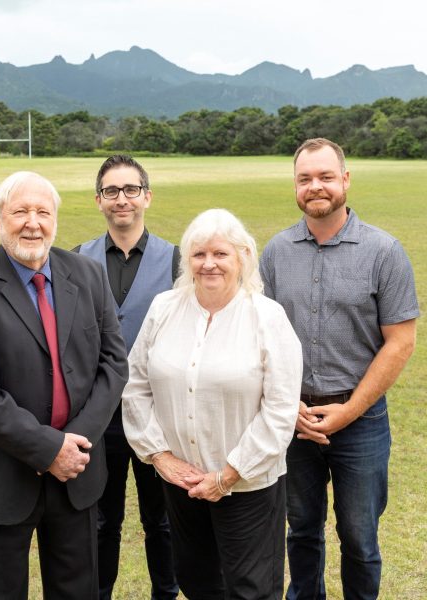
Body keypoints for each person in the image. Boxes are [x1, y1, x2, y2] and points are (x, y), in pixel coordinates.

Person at [0, 171, 129, 600]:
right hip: (2, 477)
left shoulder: (87, 275)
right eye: (20, 212)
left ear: (55, 220)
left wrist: (73, 444)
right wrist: (49, 450)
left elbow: (114, 364)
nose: (33, 222)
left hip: (76, 475)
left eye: (43, 212)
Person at [259, 137, 419, 600]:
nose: (316, 187)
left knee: (360, 539)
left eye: (326, 176)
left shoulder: (384, 252)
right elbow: (261, 340)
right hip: (293, 421)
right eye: (305, 179)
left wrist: (348, 411)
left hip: (361, 421)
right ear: (295, 185)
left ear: (345, 180)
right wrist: (286, 408)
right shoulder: (275, 252)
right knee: (301, 531)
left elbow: (400, 342)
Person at [122, 208, 302, 599]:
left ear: (242, 258)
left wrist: (228, 476)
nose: (209, 264)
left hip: (248, 485)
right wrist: (162, 458)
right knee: (197, 581)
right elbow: (135, 386)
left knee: (251, 590)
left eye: (220, 254)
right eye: (199, 254)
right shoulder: (164, 308)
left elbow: (280, 409)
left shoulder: (267, 317)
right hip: (181, 484)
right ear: (187, 260)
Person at [75, 155, 179, 600]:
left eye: (131, 189)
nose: (122, 199)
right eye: (112, 191)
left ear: (147, 197)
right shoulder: (77, 258)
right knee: (102, 519)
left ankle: (166, 592)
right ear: (99, 201)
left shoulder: (175, 259)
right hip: (99, 415)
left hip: (159, 414)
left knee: (163, 519)